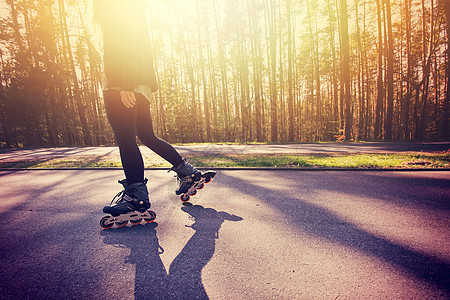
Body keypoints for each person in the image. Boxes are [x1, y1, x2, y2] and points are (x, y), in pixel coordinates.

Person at [93, 0, 202, 217]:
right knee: (146, 135)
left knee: (126, 139)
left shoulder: (114, 7)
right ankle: (186, 172)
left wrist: (125, 85)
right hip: (139, 82)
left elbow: (129, 44)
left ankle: (135, 196)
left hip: (123, 82)